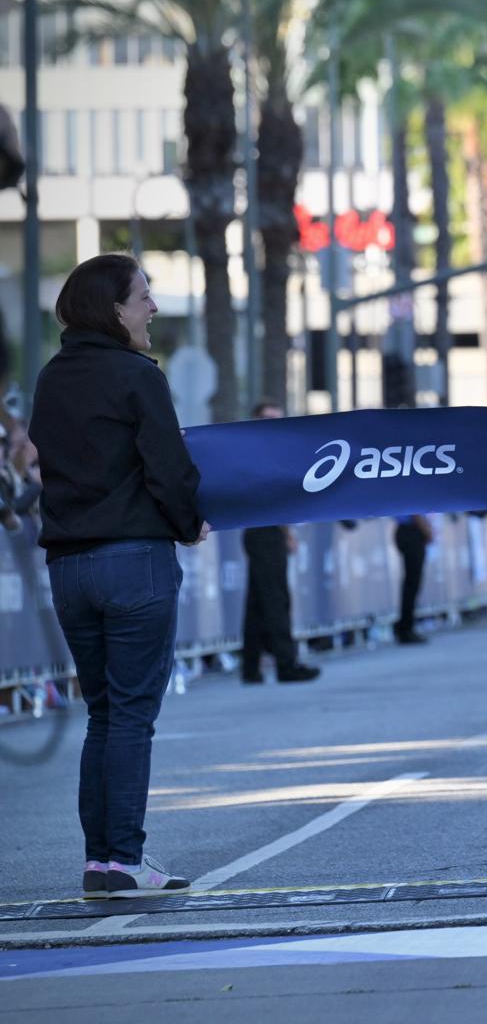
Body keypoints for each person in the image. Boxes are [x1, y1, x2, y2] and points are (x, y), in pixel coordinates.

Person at [31, 254, 209, 898]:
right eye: (145, 297)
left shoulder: (51, 379)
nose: (153, 308)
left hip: (69, 567)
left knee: (103, 715)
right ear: (114, 309)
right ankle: (125, 860)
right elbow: (170, 467)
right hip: (135, 561)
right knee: (132, 716)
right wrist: (188, 522)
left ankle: (102, 861)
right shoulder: (138, 375)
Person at [241, 399, 320, 684]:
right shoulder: (256, 453)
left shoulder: (271, 452)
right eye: (267, 418)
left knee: (259, 602)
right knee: (275, 601)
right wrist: (286, 533)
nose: (273, 423)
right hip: (262, 532)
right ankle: (286, 663)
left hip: (266, 531)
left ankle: (251, 667)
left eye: (278, 418)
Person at [393, 514, 432, 645]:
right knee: (412, 584)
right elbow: (415, 512)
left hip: (408, 530)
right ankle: (405, 628)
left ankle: (405, 626)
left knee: (411, 584)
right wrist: (426, 530)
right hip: (411, 531)